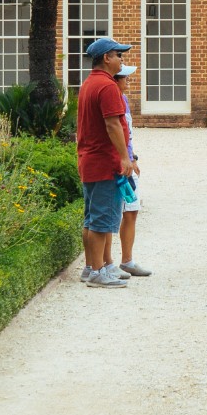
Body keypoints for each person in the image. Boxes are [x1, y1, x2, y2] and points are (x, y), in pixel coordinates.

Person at [74, 37, 135, 288]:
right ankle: (98, 272)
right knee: (102, 221)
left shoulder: (89, 83)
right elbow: (112, 124)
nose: (122, 59)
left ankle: (91, 267)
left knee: (91, 219)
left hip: (89, 161)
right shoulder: (108, 86)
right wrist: (124, 156)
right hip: (104, 162)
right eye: (118, 55)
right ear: (106, 58)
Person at [112, 63, 150, 277]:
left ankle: (126, 260)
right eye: (125, 77)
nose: (129, 80)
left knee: (131, 209)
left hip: (125, 161)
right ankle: (106, 264)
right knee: (119, 211)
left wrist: (131, 156)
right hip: (119, 165)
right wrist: (127, 159)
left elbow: (127, 134)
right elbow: (116, 132)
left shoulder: (123, 99)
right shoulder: (113, 99)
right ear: (115, 80)